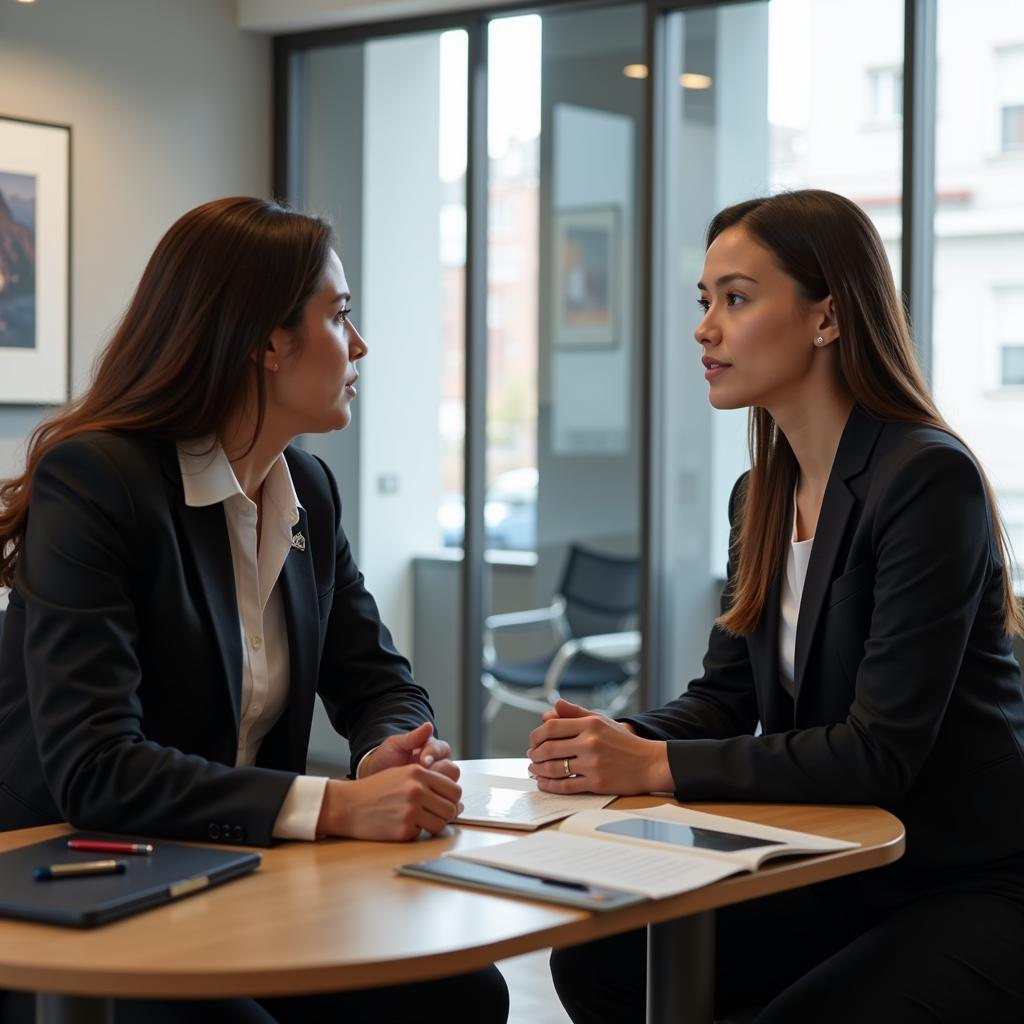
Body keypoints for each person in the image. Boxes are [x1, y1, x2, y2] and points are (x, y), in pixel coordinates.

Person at [0, 196, 508, 1023]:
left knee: (463, 996)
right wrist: (335, 804)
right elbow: (96, 769)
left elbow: (377, 679)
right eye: (340, 316)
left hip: (229, 876)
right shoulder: (97, 482)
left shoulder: (307, 487)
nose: (362, 344)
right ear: (267, 341)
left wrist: (388, 750)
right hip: (73, 891)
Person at [527, 189, 1024, 1024]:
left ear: (826, 317)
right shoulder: (760, 495)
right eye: (705, 301)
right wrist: (614, 743)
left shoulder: (927, 480)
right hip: (843, 869)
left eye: (736, 299)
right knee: (602, 959)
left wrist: (653, 768)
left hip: (968, 881)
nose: (705, 328)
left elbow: (880, 751)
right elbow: (728, 698)